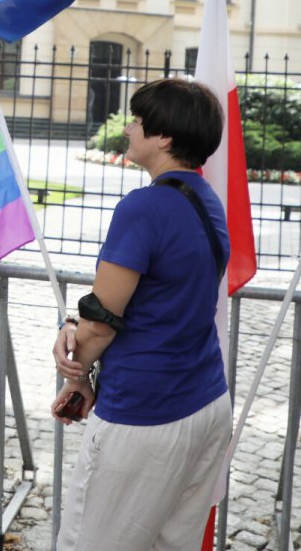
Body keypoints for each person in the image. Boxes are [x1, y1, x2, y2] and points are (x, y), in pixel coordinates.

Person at [50, 77, 232, 551]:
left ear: (164, 137)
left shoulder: (145, 206)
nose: (129, 129)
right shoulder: (208, 203)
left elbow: (101, 318)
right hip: (206, 403)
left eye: (137, 121)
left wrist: (76, 371)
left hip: (146, 413)